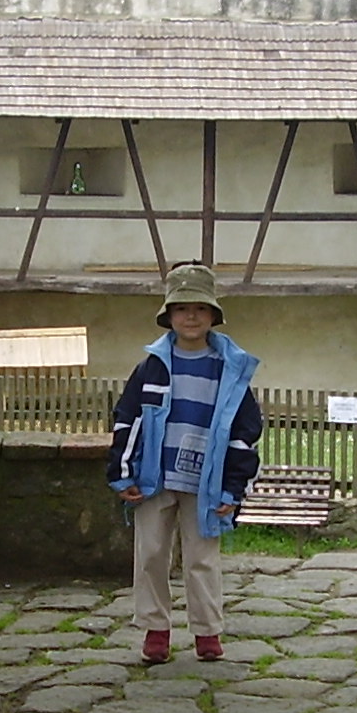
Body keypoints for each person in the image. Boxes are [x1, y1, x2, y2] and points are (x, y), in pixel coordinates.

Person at [107, 261, 262, 663]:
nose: (191, 317)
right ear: (168, 315)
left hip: (206, 482)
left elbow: (244, 432)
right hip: (154, 478)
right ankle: (155, 629)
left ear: (213, 315)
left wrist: (233, 488)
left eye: (199, 309)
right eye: (181, 308)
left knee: (202, 559)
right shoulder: (151, 367)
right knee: (151, 555)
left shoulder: (230, 371)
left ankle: (207, 631)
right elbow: (128, 419)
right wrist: (123, 473)